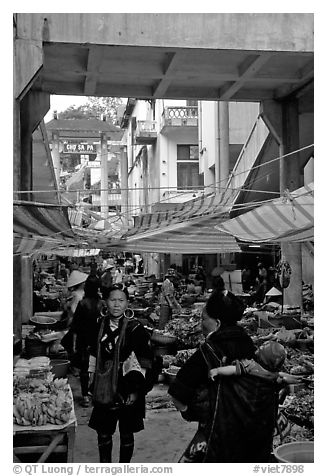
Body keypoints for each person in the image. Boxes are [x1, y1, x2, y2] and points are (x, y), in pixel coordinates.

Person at [168, 289, 280, 462]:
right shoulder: (250, 345)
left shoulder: (208, 351)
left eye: (203, 319)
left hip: (220, 439)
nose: (201, 324)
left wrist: (191, 412)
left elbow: (177, 393)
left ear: (217, 323)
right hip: (256, 436)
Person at [87, 284, 154, 463]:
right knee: (103, 433)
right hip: (104, 385)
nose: (116, 305)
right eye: (112, 300)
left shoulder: (136, 329)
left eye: (121, 300)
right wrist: (91, 380)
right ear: (105, 302)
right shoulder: (99, 325)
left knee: (126, 433)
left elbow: (145, 361)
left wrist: (136, 390)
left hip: (128, 386)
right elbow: (93, 354)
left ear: (127, 304)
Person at [71, 275, 103, 407]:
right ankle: (95, 392)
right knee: (98, 367)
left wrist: (74, 342)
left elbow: (75, 325)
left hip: (84, 339)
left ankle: (85, 396)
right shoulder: (102, 304)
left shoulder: (83, 304)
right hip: (99, 339)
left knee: (84, 368)